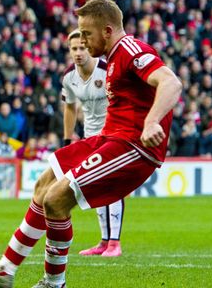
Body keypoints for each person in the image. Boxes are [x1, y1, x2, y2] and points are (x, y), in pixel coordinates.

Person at [0, 0, 182, 288]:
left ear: (106, 30)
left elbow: (171, 83)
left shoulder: (131, 49)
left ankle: (54, 283)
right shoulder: (111, 58)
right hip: (104, 139)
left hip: (132, 147)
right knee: (43, 185)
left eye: (86, 34)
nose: (82, 40)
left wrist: (152, 121)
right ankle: (5, 269)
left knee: (56, 200)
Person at [61, 30, 124, 257]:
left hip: (115, 134)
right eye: (74, 49)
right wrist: (67, 139)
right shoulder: (69, 77)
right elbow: (69, 107)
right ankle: (104, 241)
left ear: (90, 47)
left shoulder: (107, 70)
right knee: (95, 186)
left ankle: (115, 243)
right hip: (90, 137)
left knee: (112, 185)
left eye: (82, 48)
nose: (78, 53)